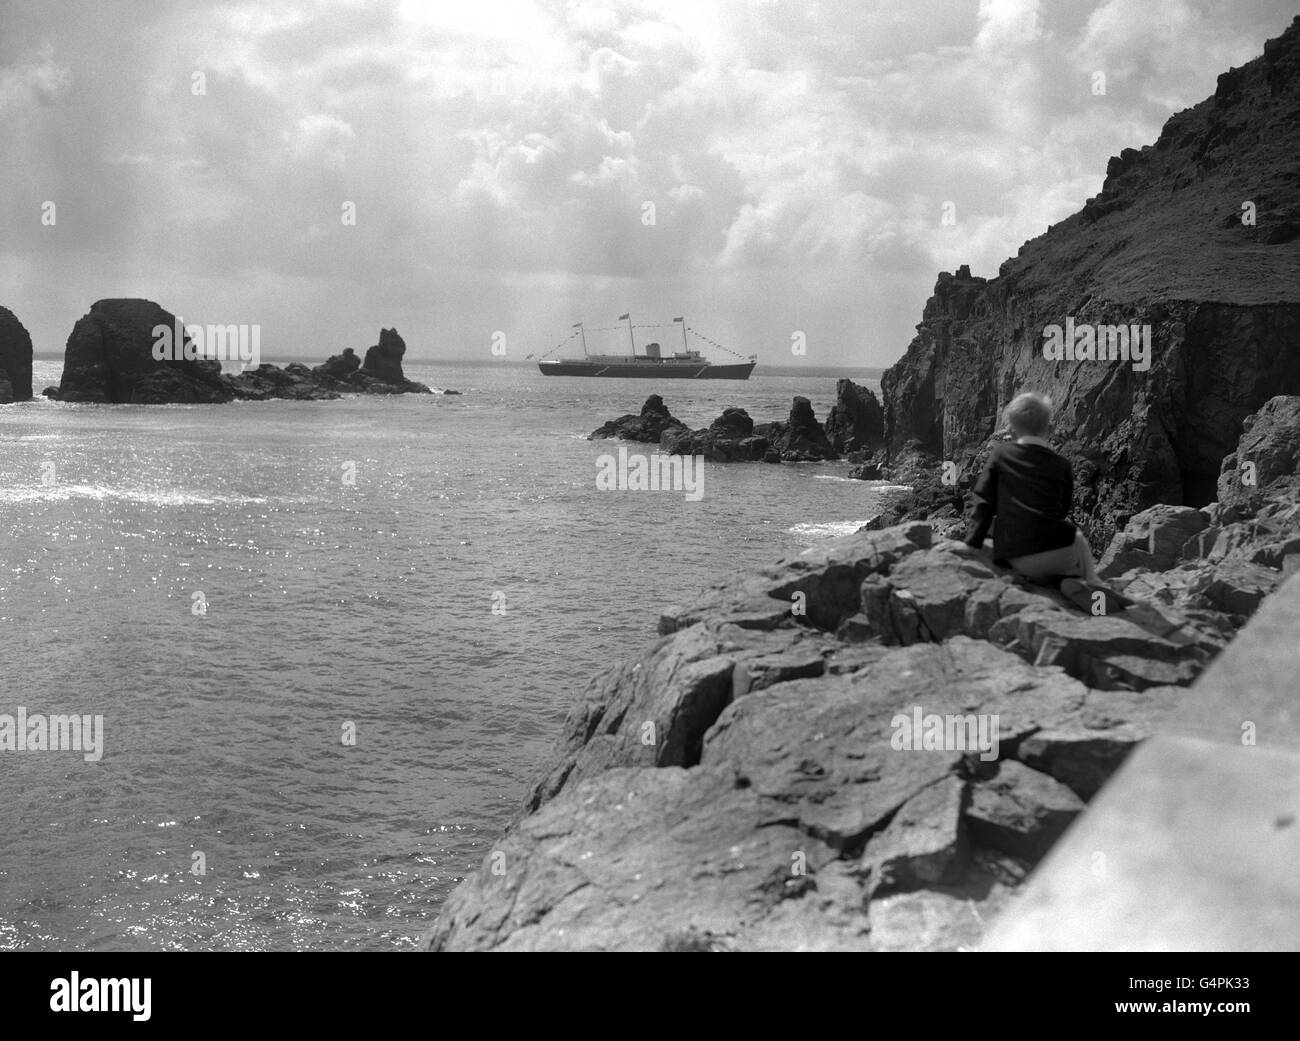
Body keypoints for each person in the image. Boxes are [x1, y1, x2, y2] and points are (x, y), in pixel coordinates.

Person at [964, 392, 1129, 613]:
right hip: (1060, 552)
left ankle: (1061, 581)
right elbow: (1061, 509)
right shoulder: (1061, 464)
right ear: (1047, 428)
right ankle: (1088, 582)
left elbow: (983, 502)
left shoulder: (1002, 455)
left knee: (1004, 527)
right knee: (1076, 536)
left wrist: (971, 544)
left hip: (1017, 555)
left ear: (1012, 427)